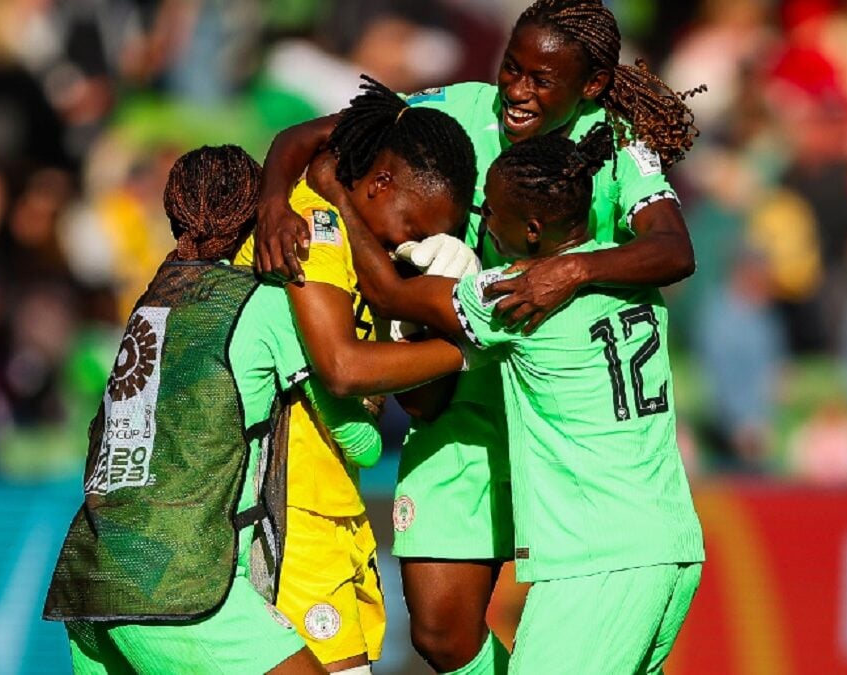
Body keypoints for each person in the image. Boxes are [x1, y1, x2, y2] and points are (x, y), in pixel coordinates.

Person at [253, 1, 704, 671]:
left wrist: (568, 272)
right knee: (441, 633)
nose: (517, 91)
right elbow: (311, 136)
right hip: (464, 395)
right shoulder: (462, 108)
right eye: (511, 68)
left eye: (541, 79)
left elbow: (674, 249)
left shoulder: (618, 142)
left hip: (559, 402)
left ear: (591, 85)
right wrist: (272, 203)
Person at [42, 145, 469, 674]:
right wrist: (457, 351)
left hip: (92, 577)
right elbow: (360, 441)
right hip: (182, 585)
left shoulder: (151, 301)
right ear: (259, 215)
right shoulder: (262, 303)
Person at [340, 131, 705, 674]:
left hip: (594, 562)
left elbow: (388, 294)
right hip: (670, 546)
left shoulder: (523, 294)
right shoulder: (633, 272)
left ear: (532, 229)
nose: (483, 221)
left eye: (492, 211)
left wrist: (338, 202)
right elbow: (670, 245)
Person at [234, 76, 480, 673]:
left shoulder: (369, 246)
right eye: (414, 227)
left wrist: (423, 301)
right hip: (285, 508)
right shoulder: (309, 224)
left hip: (334, 508)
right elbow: (341, 369)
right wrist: (471, 350)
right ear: (381, 182)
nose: (414, 243)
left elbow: (421, 403)